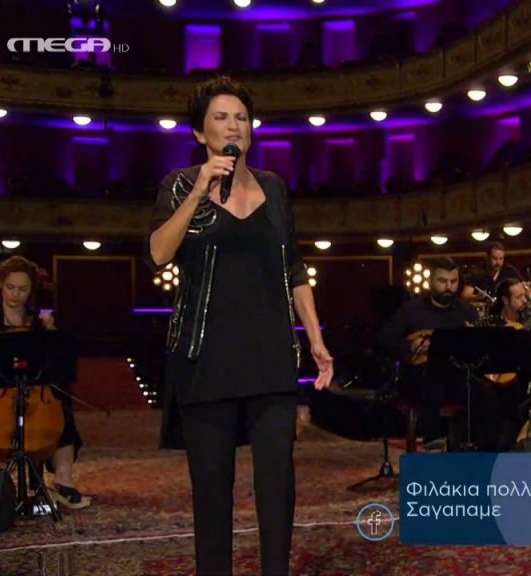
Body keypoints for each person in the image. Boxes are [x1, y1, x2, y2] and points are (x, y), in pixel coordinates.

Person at [145, 75, 333, 576]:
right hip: (205, 360)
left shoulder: (274, 187)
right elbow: (158, 253)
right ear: (199, 132)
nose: (234, 126)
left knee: (278, 488)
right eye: (221, 118)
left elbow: (294, 268)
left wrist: (315, 338)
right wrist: (200, 191)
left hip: (270, 358)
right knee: (212, 496)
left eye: (242, 118)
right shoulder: (179, 184)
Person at [0, 256, 89, 509]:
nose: (15, 294)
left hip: (29, 385)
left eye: (22, 289)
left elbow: (53, 355)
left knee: (61, 405)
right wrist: (10, 339)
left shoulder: (36, 318)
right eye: (10, 287)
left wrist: (49, 329)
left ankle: (64, 480)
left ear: (31, 290)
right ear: (0, 285)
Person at [375, 257, 478, 450]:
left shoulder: (466, 311)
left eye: (453, 281)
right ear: (431, 281)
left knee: (485, 390)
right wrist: (409, 345)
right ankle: (433, 436)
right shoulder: (411, 310)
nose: (449, 287)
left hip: (457, 376)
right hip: (419, 377)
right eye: (443, 281)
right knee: (433, 375)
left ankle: (482, 447)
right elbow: (383, 339)